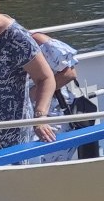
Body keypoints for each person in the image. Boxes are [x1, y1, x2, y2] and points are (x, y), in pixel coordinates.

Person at [0, 0, 56, 201]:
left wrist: (40, 117)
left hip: (9, 127)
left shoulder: (14, 37)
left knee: (1, 189)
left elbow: (45, 78)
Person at [27, 31, 80, 163]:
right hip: (22, 120)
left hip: (53, 117)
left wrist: (30, 95)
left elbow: (69, 73)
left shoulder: (35, 41)